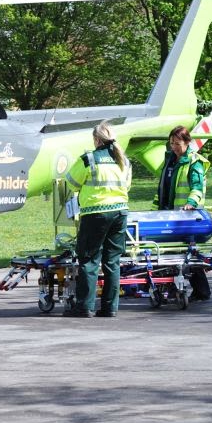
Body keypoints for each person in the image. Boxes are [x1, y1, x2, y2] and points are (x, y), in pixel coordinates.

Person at [63, 121, 132, 318]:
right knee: (112, 260)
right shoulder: (124, 161)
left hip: (95, 213)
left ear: (96, 139)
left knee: (89, 259)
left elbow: (72, 183)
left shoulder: (88, 159)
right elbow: (127, 186)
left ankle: (84, 306)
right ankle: (110, 308)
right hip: (120, 213)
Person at [155, 125, 212, 300]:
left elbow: (197, 187)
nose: (174, 147)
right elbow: (163, 188)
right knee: (172, 255)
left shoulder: (194, 162)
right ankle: (175, 289)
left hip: (186, 218)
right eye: (171, 143)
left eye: (177, 143)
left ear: (187, 142)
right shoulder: (170, 161)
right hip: (170, 215)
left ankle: (201, 291)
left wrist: (190, 203)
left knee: (186, 255)